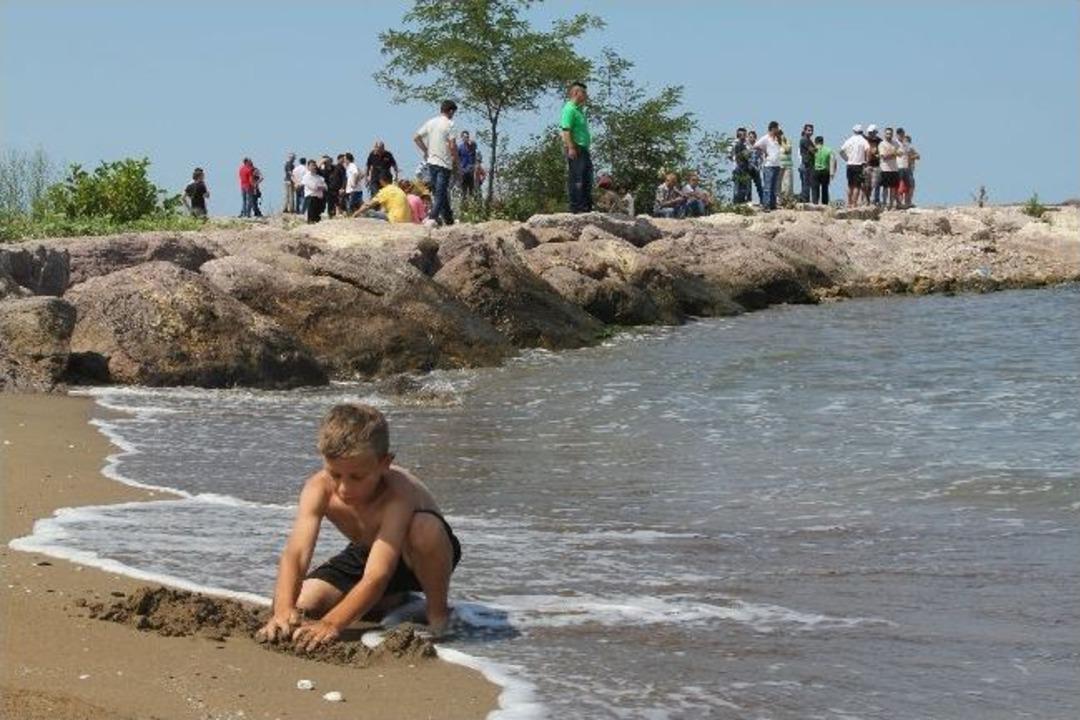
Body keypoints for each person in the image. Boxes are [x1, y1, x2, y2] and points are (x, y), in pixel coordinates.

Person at [255, 403, 462, 648]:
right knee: (306, 603)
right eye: (335, 474)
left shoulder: (398, 492)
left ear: (384, 463)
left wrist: (332, 623)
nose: (344, 488)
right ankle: (392, 600)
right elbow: (296, 554)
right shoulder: (318, 488)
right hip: (367, 551)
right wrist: (283, 610)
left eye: (357, 477)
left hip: (419, 556)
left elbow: (378, 574)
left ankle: (438, 615)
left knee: (424, 528)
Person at [414, 100, 458, 227]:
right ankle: (432, 217)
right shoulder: (450, 124)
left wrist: (425, 150)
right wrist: (456, 161)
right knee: (440, 192)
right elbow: (452, 145)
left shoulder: (431, 122)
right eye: (453, 112)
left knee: (440, 192)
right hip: (444, 164)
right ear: (451, 111)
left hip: (431, 163)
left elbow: (416, 137)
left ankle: (449, 220)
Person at [560, 81, 593, 213]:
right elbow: (566, 130)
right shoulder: (569, 109)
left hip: (584, 148)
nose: (586, 95)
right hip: (575, 148)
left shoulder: (580, 110)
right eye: (583, 92)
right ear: (575, 93)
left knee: (587, 177)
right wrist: (571, 147)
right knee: (577, 178)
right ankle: (577, 207)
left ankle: (586, 206)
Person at [753, 121, 783, 211]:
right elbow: (755, 145)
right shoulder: (765, 138)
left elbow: (781, 146)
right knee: (768, 186)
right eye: (777, 128)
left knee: (774, 187)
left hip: (777, 164)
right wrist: (764, 150)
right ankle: (766, 205)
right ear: (773, 128)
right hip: (769, 165)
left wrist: (779, 136)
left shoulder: (777, 138)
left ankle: (773, 205)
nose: (778, 130)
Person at [839, 125, 870, 207]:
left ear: (853, 131)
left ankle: (849, 203)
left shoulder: (849, 140)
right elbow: (868, 150)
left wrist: (846, 159)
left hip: (849, 165)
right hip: (859, 165)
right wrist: (867, 161)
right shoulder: (863, 140)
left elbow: (841, 151)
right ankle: (854, 203)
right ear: (861, 132)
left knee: (850, 185)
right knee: (857, 186)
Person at [896, 128, 918, 208]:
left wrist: (911, 157)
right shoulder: (895, 143)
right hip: (899, 167)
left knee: (909, 186)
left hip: (908, 169)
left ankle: (907, 202)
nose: (901, 135)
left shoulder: (908, 146)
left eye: (902, 134)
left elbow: (917, 155)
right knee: (900, 186)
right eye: (900, 134)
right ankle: (900, 203)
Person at [879, 127, 900, 209]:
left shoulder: (896, 143)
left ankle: (891, 205)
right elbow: (883, 157)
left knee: (893, 188)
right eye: (887, 133)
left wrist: (891, 154)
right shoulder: (882, 144)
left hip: (894, 169)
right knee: (885, 188)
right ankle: (884, 204)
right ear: (884, 134)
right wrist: (893, 154)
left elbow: (900, 153)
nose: (889, 135)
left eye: (890, 133)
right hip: (885, 169)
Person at [812, 136, 836, 205]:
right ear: (822, 142)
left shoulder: (813, 150)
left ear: (815, 142)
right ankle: (825, 203)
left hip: (815, 170)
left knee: (815, 188)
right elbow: (832, 161)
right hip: (825, 171)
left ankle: (815, 203)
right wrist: (832, 173)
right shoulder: (829, 150)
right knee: (825, 188)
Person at [301, 160, 327, 224]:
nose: (314, 167)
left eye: (315, 165)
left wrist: (320, 187)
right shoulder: (306, 177)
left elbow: (325, 187)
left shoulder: (319, 177)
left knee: (318, 219)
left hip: (319, 199)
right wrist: (320, 187)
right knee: (311, 219)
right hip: (311, 199)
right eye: (312, 165)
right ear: (308, 167)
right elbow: (314, 187)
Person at [731, 127, 752, 204]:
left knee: (742, 187)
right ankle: (737, 203)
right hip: (740, 168)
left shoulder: (743, 144)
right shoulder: (738, 145)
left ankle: (740, 202)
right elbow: (745, 156)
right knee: (738, 187)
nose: (745, 136)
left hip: (742, 168)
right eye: (744, 135)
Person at [456, 131, 480, 199]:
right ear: (462, 138)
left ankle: (472, 203)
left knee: (471, 190)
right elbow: (457, 158)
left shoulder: (472, 146)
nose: (466, 138)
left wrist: (471, 142)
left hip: (471, 171)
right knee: (463, 191)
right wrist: (459, 170)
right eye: (464, 137)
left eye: (467, 137)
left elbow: (475, 145)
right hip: (463, 171)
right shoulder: (460, 147)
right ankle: (464, 203)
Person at [746, 130, 765, 205]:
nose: (751, 138)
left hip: (756, 168)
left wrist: (759, 166)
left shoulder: (758, 146)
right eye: (749, 137)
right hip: (748, 168)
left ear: (755, 138)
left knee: (759, 185)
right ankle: (749, 200)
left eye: (752, 137)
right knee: (748, 185)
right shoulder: (746, 146)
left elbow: (761, 157)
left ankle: (762, 201)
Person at [865, 124, 882, 206]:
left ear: (875, 132)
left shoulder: (880, 141)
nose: (870, 134)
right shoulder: (865, 140)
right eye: (869, 132)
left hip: (876, 165)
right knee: (867, 185)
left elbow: (882, 152)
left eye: (872, 132)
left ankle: (876, 200)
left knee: (876, 184)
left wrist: (878, 155)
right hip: (867, 165)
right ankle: (867, 200)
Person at [798, 123, 816, 203]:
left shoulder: (809, 140)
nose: (810, 132)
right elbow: (812, 150)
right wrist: (816, 149)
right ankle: (805, 200)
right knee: (806, 184)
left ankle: (805, 200)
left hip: (809, 164)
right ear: (805, 131)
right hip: (806, 164)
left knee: (807, 183)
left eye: (811, 130)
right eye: (808, 130)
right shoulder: (804, 140)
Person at [779, 131, 794, 201]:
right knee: (779, 184)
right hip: (779, 166)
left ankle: (788, 199)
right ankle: (780, 199)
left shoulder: (788, 141)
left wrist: (783, 142)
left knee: (788, 184)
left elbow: (787, 150)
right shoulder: (775, 143)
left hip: (787, 166)